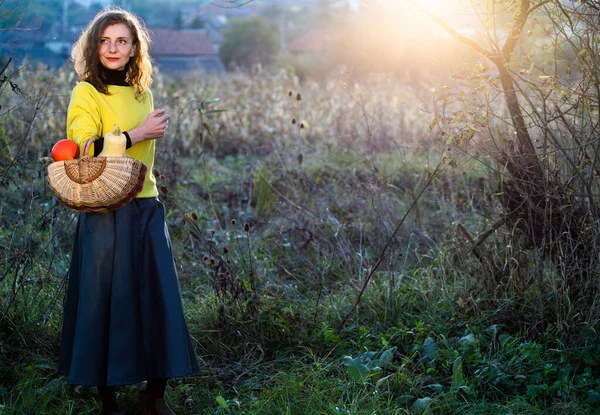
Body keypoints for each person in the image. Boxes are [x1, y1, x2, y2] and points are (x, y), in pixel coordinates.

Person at [57, 7, 200, 415]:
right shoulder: (86, 92)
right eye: (105, 41)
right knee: (104, 303)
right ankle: (108, 401)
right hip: (105, 209)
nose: (113, 48)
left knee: (158, 298)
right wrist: (136, 135)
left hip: (145, 205)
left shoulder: (142, 92)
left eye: (122, 40)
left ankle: (153, 397)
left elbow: (144, 158)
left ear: (135, 47)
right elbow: (83, 149)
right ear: (94, 46)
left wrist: (141, 136)